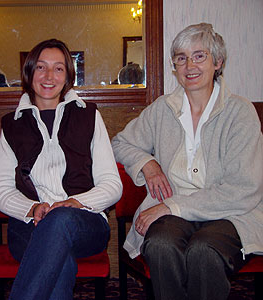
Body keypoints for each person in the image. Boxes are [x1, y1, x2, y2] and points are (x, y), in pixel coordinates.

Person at [112, 23, 263, 300]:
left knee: (204, 251)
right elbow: (120, 144)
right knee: (158, 245)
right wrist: (148, 163)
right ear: (174, 66)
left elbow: (243, 188)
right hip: (175, 211)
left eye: (199, 56)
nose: (189, 65)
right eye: (181, 58)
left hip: (230, 213)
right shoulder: (162, 108)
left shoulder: (240, 112)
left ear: (218, 62)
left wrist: (172, 205)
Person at [0, 38, 122, 300]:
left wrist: (75, 202)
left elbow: (112, 185)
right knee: (58, 260)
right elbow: (2, 190)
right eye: (41, 68)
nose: (49, 76)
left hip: (85, 223)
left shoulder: (88, 116)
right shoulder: (12, 124)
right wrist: (31, 208)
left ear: (68, 76)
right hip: (29, 224)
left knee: (59, 221)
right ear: (29, 73)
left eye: (58, 68)